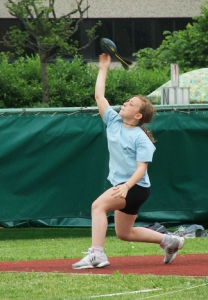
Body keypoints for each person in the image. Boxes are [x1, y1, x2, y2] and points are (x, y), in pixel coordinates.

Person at [72, 53, 185, 270]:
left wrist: (126, 186)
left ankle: (97, 255)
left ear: (139, 115)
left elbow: (142, 169)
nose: (125, 103)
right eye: (127, 101)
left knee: (98, 206)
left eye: (130, 103)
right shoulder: (113, 122)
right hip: (125, 187)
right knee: (125, 233)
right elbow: (99, 96)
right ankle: (169, 241)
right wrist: (104, 67)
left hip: (135, 187)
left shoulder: (140, 138)